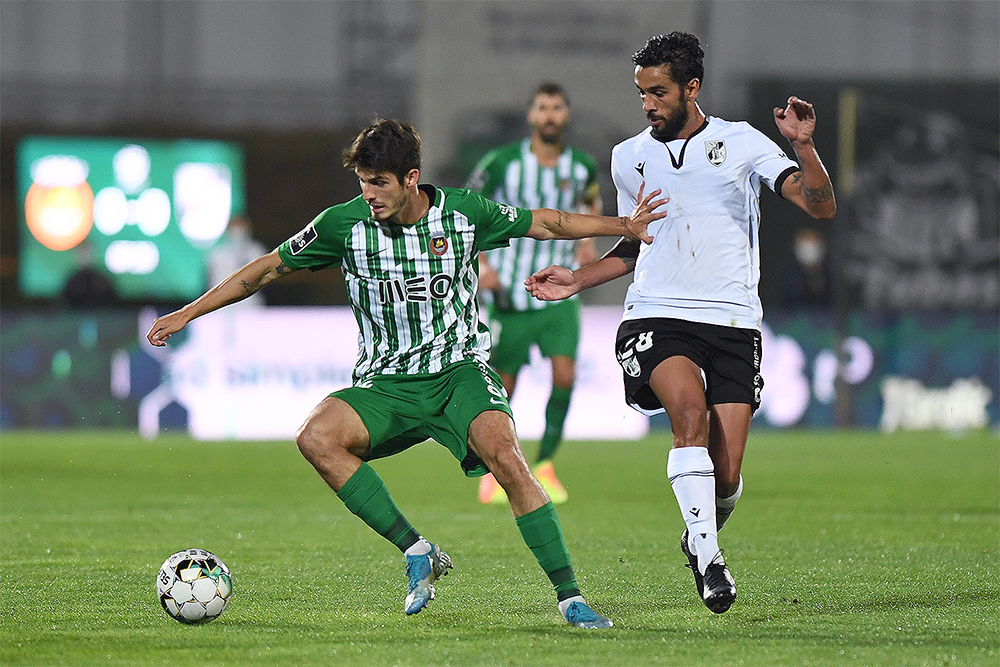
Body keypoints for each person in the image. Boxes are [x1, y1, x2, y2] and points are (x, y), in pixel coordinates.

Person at [147, 118, 666, 628]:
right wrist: (187, 313)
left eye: (379, 183)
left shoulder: (463, 214)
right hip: (386, 383)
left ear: (411, 178)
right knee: (316, 438)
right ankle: (418, 551)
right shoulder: (342, 225)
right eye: (363, 182)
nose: (369, 193)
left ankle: (570, 599)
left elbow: (547, 222)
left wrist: (625, 227)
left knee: (508, 459)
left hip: (457, 372)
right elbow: (261, 271)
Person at [526, 33, 836, 615]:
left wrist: (805, 147)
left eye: (659, 93)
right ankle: (712, 561)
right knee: (687, 416)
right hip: (656, 314)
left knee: (728, 477)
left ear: (691, 88)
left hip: (733, 321)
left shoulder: (742, 142)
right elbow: (633, 246)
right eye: (642, 93)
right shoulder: (628, 156)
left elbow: (819, 204)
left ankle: (700, 537)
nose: (648, 104)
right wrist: (577, 278)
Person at [465, 82, 601, 505]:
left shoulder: (581, 166)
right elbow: (467, 211)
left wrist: (585, 242)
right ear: (531, 116)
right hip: (511, 293)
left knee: (565, 377)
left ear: (566, 114)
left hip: (560, 294)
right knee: (504, 387)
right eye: (542, 108)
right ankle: (496, 470)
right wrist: (482, 265)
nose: (549, 116)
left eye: (556, 108)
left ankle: (545, 464)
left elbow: (591, 201)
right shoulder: (501, 163)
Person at [207, 215, 268, 308]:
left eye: (241, 227)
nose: (238, 231)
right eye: (235, 227)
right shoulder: (217, 254)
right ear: (228, 229)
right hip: (222, 307)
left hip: (252, 306)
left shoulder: (257, 251)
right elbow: (211, 282)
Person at [780, 227, 833, 309]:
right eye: (805, 247)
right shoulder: (791, 274)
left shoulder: (830, 272)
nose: (809, 251)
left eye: (812, 246)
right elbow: (787, 303)